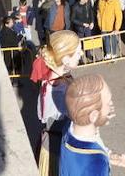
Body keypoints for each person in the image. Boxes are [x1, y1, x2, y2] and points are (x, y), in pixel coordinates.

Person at [60, 74, 125, 175]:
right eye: (108, 103)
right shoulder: (97, 163)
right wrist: (102, 159)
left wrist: (109, 155)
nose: (112, 106)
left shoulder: (70, 128)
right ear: (94, 116)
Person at [30, 31, 83, 174]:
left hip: (53, 142)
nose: (82, 54)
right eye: (77, 52)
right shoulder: (59, 89)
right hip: (58, 148)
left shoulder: (56, 79)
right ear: (65, 59)